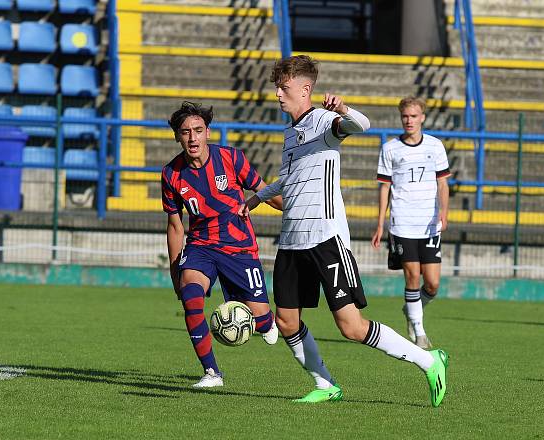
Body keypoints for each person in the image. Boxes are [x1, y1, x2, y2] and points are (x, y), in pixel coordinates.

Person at [239, 55, 448, 407]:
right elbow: (291, 178)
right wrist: (259, 196)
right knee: (286, 322)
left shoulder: (324, 121)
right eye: (277, 87)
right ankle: (325, 384)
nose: (277, 94)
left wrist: (344, 109)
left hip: (325, 237)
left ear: (305, 90)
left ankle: (429, 360)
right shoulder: (291, 133)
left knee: (350, 326)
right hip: (292, 240)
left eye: (284, 88)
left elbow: (360, 125)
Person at [162, 101, 282, 388]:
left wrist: (291, 208)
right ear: (177, 136)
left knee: (264, 324)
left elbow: (263, 190)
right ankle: (212, 373)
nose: (192, 138)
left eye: (198, 130)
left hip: (239, 249)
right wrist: (175, 270)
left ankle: (266, 321)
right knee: (191, 298)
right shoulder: (171, 174)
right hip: (201, 247)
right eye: (186, 132)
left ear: (208, 132)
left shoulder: (231, 158)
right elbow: (175, 225)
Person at [370, 96, 450, 349]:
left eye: (414, 116)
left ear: (422, 118)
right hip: (402, 222)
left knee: (433, 284)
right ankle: (419, 331)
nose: (409, 121)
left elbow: (442, 183)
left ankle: (412, 308)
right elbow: (384, 187)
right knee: (412, 276)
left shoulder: (435, 146)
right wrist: (380, 224)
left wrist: (444, 213)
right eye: (405, 116)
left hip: (428, 224)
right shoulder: (391, 148)